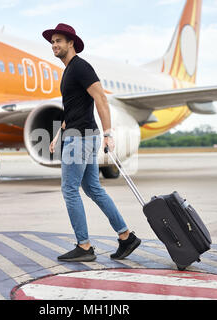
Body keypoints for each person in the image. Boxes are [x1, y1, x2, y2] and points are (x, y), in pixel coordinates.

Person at [42, 23, 141, 262]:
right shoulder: (69, 71)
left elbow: (101, 99)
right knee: (92, 188)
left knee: (69, 189)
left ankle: (84, 247)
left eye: (59, 41)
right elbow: (74, 109)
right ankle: (126, 237)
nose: (54, 45)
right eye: (52, 41)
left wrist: (108, 133)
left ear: (71, 43)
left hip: (81, 138)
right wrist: (57, 135)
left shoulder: (80, 67)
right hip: (79, 134)